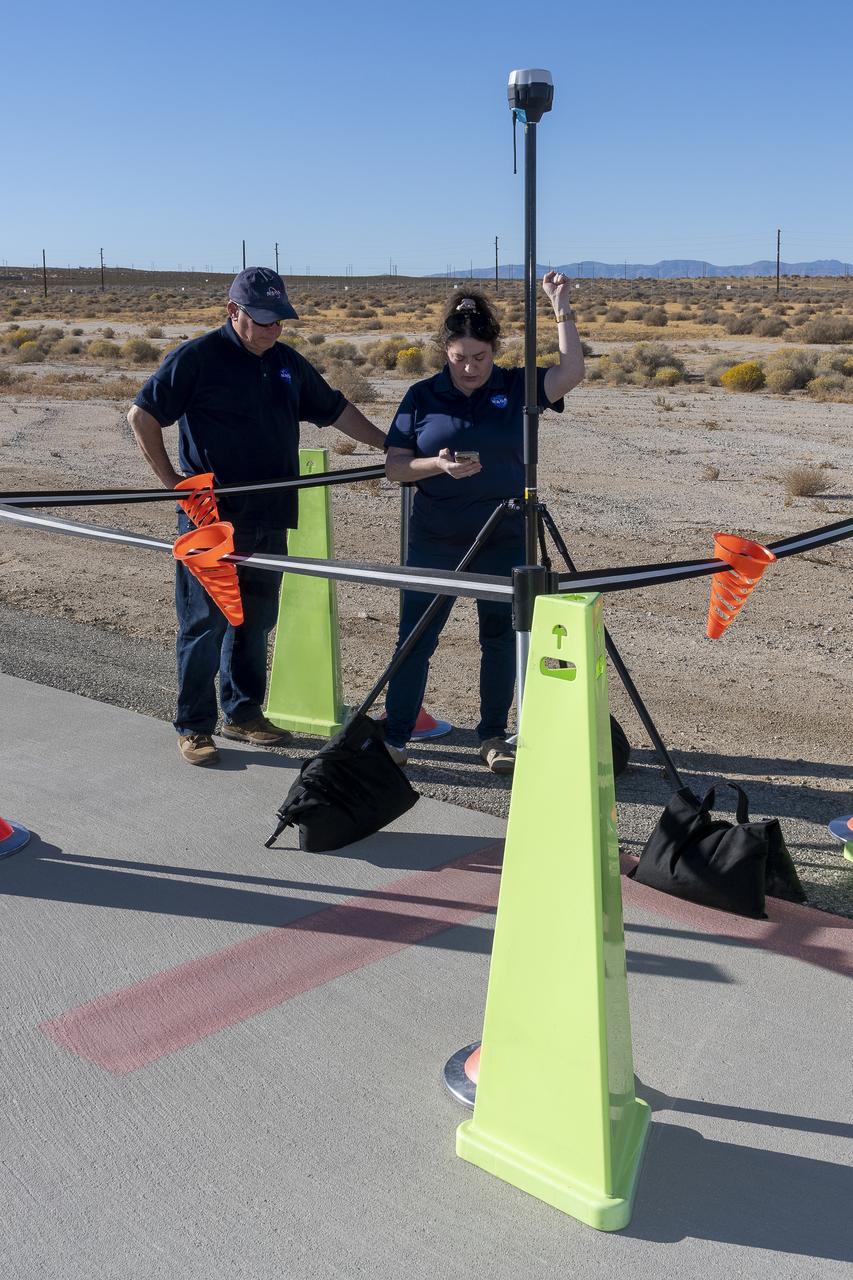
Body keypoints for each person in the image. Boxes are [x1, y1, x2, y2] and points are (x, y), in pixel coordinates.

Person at [128, 266, 386, 766]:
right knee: (204, 624)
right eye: (263, 319)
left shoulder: (288, 363)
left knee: (256, 620)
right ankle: (195, 726)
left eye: (279, 319)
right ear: (234, 312)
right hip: (212, 520)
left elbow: (335, 410)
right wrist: (176, 487)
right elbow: (142, 415)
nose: (273, 329)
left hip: (271, 515)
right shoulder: (197, 359)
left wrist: (394, 445)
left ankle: (243, 713)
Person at [382, 272, 585, 773]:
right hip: (435, 537)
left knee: (500, 639)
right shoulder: (422, 396)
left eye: (480, 357)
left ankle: (494, 736)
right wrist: (438, 466)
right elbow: (395, 467)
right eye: (459, 359)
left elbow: (572, 372)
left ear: (495, 350)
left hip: (503, 534)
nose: (470, 368)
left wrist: (560, 307)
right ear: (444, 352)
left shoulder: (516, 386)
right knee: (416, 637)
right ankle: (395, 735)